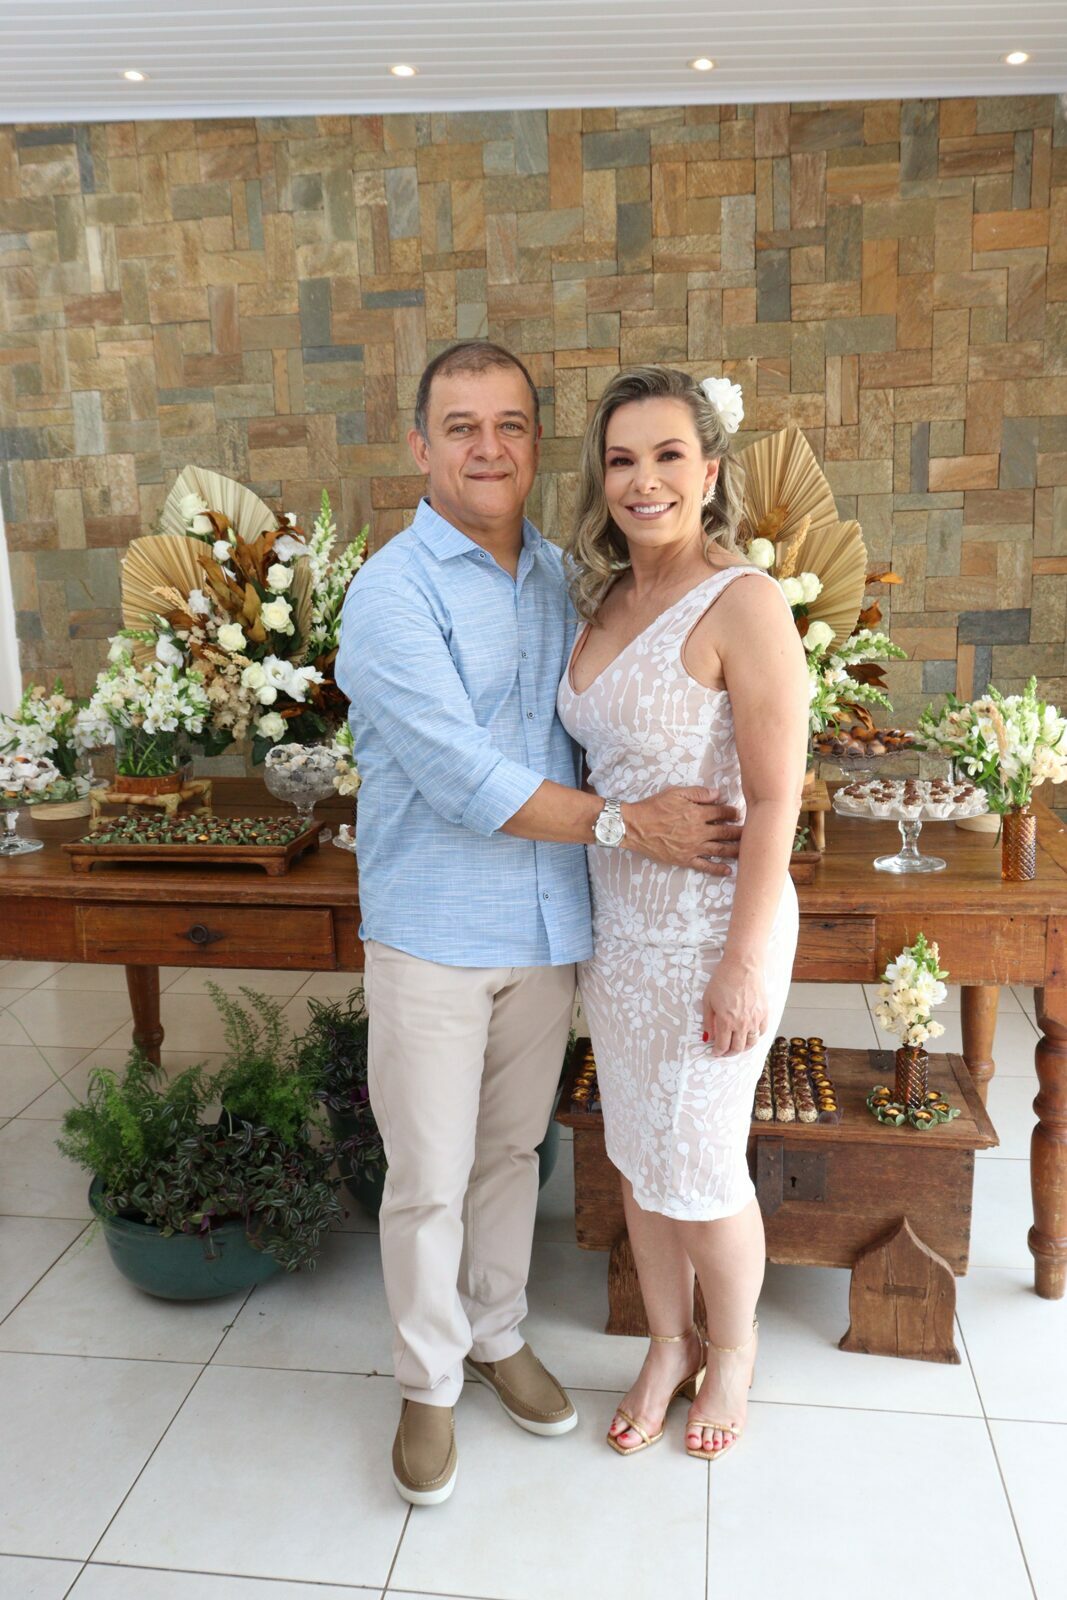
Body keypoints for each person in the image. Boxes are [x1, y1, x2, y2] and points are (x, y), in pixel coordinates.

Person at [336, 340, 743, 1506]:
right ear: (420, 445)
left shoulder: (566, 577)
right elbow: (460, 774)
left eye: (508, 425)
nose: (486, 447)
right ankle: (426, 1383)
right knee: (428, 1171)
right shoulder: (391, 592)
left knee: (511, 1153)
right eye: (460, 426)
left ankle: (495, 1332)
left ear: (533, 443)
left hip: (549, 925)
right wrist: (629, 825)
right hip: (431, 928)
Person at [557, 365, 809, 1463]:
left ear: (709, 471)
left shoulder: (742, 601)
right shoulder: (599, 600)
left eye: (667, 456)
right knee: (637, 1153)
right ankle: (666, 1342)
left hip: (714, 929)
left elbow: (776, 797)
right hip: (618, 925)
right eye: (621, 459)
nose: (643, 480)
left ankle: (734, 1350)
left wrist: (744, 960)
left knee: (699, 1164)